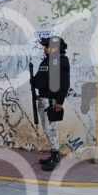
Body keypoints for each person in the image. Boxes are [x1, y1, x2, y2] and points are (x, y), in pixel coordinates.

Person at [31, 36, 71, 172]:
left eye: (47, 46)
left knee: (51, 129)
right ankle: (53, 154)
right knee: (46, 128)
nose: (44, 49)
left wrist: (59, 102)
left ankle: (56, 157)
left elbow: (65, 84)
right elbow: (38, 79)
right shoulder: (46, 62)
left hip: (51, 102)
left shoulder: (62, 62)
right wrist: (33, 81)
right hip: (41, 99)